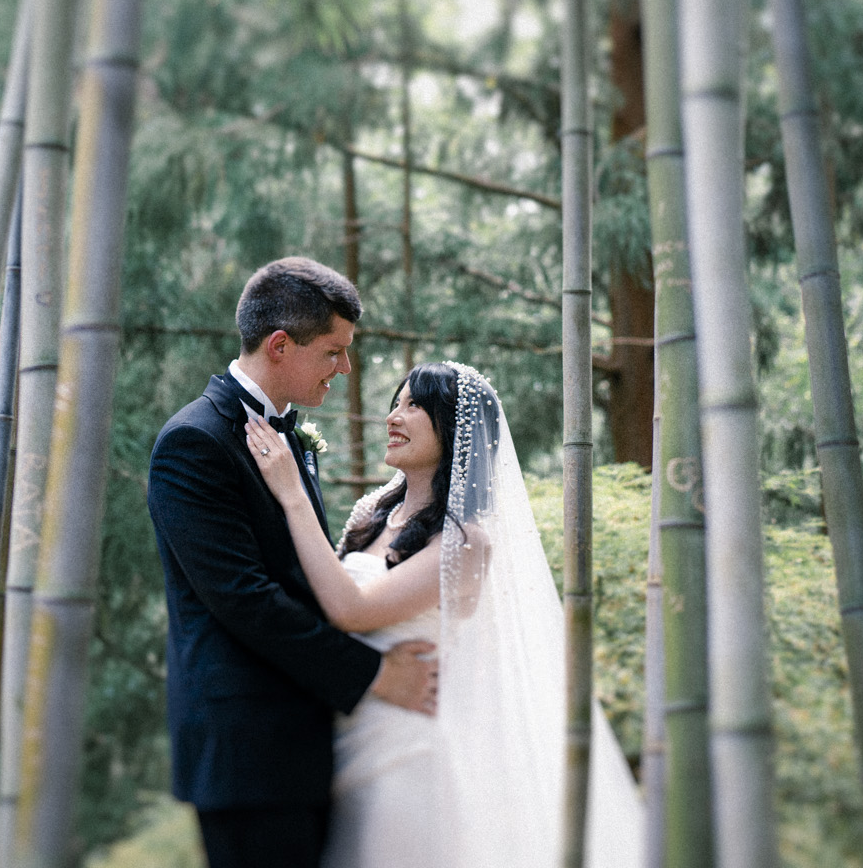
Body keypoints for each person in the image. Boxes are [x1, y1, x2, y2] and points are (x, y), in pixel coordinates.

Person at [246, 360, 646, 868]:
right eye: (396, 402)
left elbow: (351, 608)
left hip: (405, 750)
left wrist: (291, 494)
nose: (394, 415)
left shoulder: (466, 540)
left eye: (415, 406)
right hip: (336, 733)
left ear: (455, 430)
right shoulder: (370, 513)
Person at [146, 257, 439, 868]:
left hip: (307, 745)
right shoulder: (194, 442)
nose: (346, 368)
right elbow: (246, 601)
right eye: (334, 351)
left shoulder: (287, 437)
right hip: (247, 754)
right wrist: (373, 675)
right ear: (281, 345)